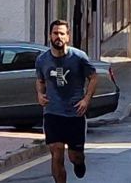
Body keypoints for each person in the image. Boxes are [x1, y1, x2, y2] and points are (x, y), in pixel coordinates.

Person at [36, 20, 98, 182]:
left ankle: (79, 162)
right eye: (55, 33)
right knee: (56, 152)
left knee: (74, 156)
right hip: (52, 112)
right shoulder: (42, 60)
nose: (58, 37)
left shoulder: (78, 57)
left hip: (75, 113)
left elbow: (93, 77)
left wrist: (86, 99)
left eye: (62, 33)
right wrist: (40, 94)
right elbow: (40, 80)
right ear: (50, 36)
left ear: (68, 37)